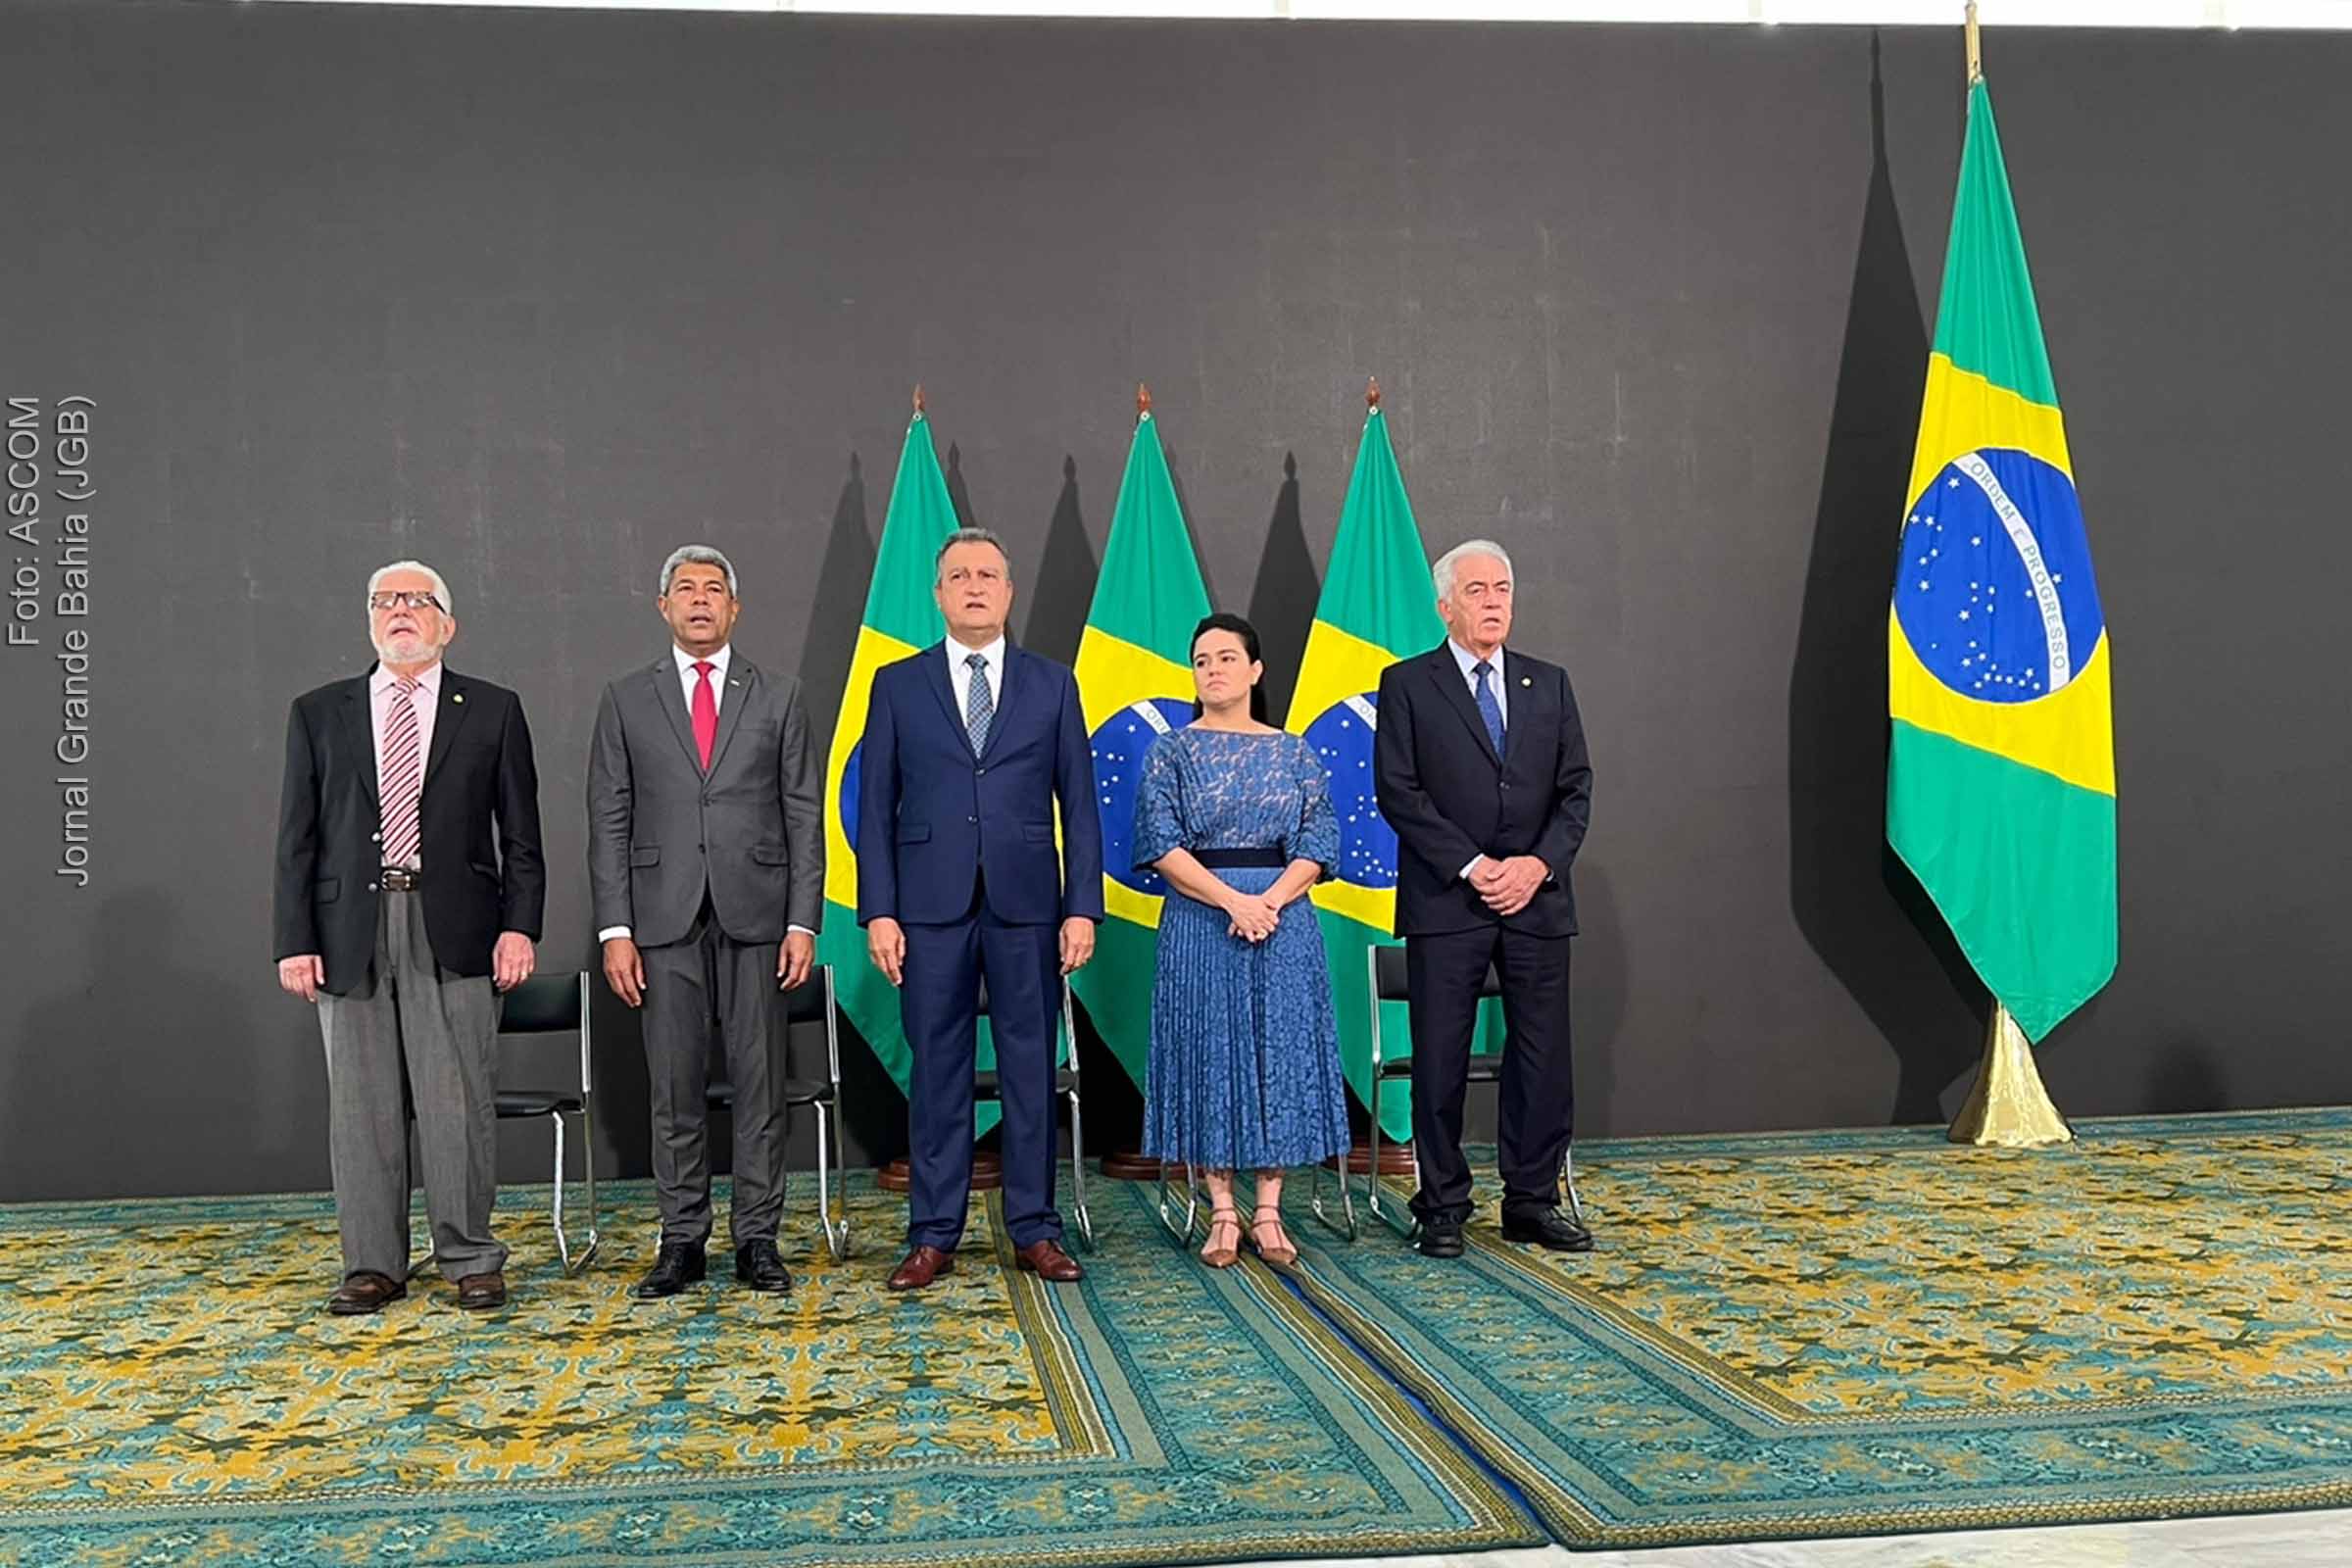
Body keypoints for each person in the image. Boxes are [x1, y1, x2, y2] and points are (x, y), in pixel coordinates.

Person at [272, 560, 545, 1314]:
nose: (400, 611)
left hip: (454, 926)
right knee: (361, 1109)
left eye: (417, 601)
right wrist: (293, 938)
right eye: (384, 601)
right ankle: (373, 1265)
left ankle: (469, 1257)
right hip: (347, 929)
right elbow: (296, 839)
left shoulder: (491, 710)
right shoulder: (319, 712)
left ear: (447, 625)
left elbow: (521, 834)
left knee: (455, 1100)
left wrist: (520, 926)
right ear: (368, 619)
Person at [858, 527, 1102, 1291]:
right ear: (938, 594)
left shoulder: (1053, 683)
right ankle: (934, 1232)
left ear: (1008, 592)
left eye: (987, 575)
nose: (973, 586)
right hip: (927, 908)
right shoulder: (897, 684)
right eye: (958, 575)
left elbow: (1081, 807)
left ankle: (1035, 1228)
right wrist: (880, 912)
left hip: (1029, 904)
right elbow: (875, 809)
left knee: (1031, 1067)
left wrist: (1081, 908)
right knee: (938, 1071)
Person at [587, 546, 823, 1299]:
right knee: (674, 1089)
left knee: (760, 1090)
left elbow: (803, 815)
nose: (699, 600)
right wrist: (614, 929)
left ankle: (758, 1238)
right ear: (663, 606)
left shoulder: (780, 695)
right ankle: (682, 1239)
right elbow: (609, 818)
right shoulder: (625, 699)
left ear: (734, 608)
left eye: (713, 589)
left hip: (759, 916)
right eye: (684, 589)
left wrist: (803, 921)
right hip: (661, 920)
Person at [1372, 539, 1592, 1258]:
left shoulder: (1549, 684)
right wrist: (1473, 866)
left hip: (1537, 899)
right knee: (1440, 1057)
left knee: (1541, 1058)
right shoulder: (1407, 684)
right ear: (1445, 606)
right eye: (1477, 590)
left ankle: (1531, 1199)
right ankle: (1442, 1203)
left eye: (1503, 587)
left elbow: (1575, 792)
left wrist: (1537, 866)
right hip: (1448, 899)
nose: (1495, 601)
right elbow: (1398, 793)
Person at [1134, 612, 1349, 1269]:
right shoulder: (1170, 751)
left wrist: (1270, 902)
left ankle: (1269, 1211)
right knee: (1209, 1054)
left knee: (1278, 1056)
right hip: (1202, 918)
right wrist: (1233, 901)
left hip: (1284, 922)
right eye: (1202, 660)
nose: (1213, 670)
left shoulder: (1295, 752)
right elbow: (1161, 846)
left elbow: (1318, 842)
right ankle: (1222, 1212)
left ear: (1255, 671)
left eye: (1227, 658)